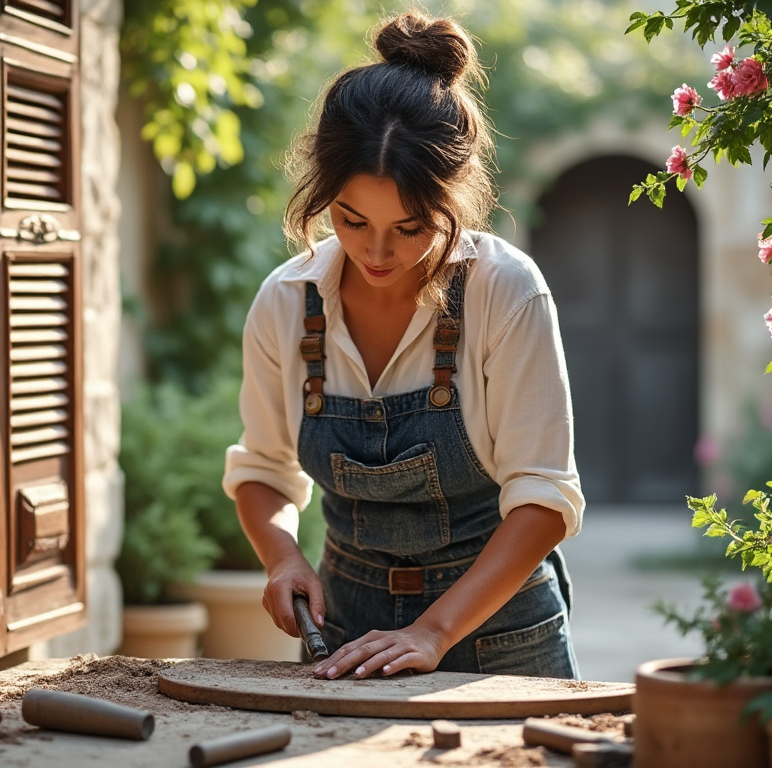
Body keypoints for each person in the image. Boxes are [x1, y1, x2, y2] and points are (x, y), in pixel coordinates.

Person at [222, 9, 584, 680]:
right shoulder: (285, 301)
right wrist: (282, 556)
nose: (377, 251)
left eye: (411, 227)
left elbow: (543, 498)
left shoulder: (504, 290)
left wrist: (433, 630)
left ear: (453, 198)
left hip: (501, 633)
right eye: (352, 220)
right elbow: (266, 472)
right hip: (346, 628)